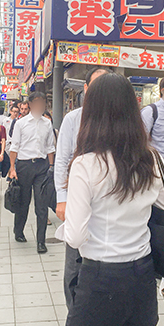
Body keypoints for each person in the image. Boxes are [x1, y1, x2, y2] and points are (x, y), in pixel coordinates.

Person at [59, 73, 164, 326]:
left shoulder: (85, 165)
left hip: (100, 278)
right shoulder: (153, 159)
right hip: (143, 274)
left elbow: (74, 237)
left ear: (91, 112)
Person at [54, 66, 109, 310]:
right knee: (74, 264)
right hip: (78, 200)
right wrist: (61, 198)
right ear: (85, 89)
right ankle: (75, 313)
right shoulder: (73, 119)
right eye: (96, 87)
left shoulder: (119, 121)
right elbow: (62, 159)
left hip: (108, 204)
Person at [8, 92, 55, 254]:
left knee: (42, 205)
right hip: (24, 166)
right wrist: (12, 168)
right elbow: (14, 147)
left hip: (41, 166)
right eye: (37, 103)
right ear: (30, 105)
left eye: (43, 103)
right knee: (23, 201)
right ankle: (18, 230)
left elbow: (50, 147)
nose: (40, 107)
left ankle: (41, 241)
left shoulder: (47, 124)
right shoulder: (20, 124)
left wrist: (51, 166)